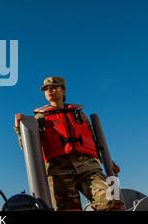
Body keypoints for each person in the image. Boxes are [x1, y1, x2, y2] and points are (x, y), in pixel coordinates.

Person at [14, 77, 124, 211]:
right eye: (47, 89)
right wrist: (20, 129)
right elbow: (28, 148)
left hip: (88, 168)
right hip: (59, 172)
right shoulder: (41, 117)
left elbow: (93, 141)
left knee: (112, 201)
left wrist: (108, 161)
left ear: (63, 91)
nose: (50, 91)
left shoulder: (79, 114)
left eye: (54, 87)